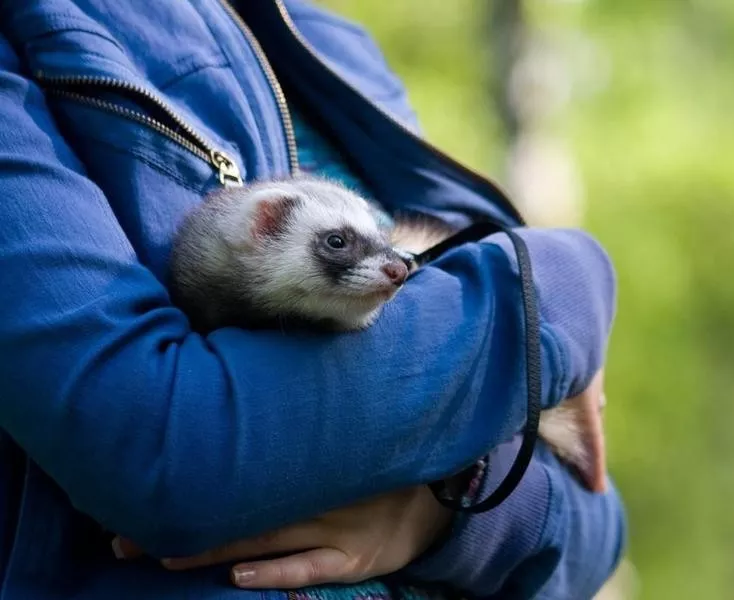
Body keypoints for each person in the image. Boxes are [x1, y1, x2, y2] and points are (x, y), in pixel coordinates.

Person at [0, 0, 625, 598]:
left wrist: (445, 516)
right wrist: (553, 287)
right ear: (263, 228)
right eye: (334, 245)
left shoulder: (335, 45)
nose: (396, 271)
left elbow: (594, 521)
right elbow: (160, 444)